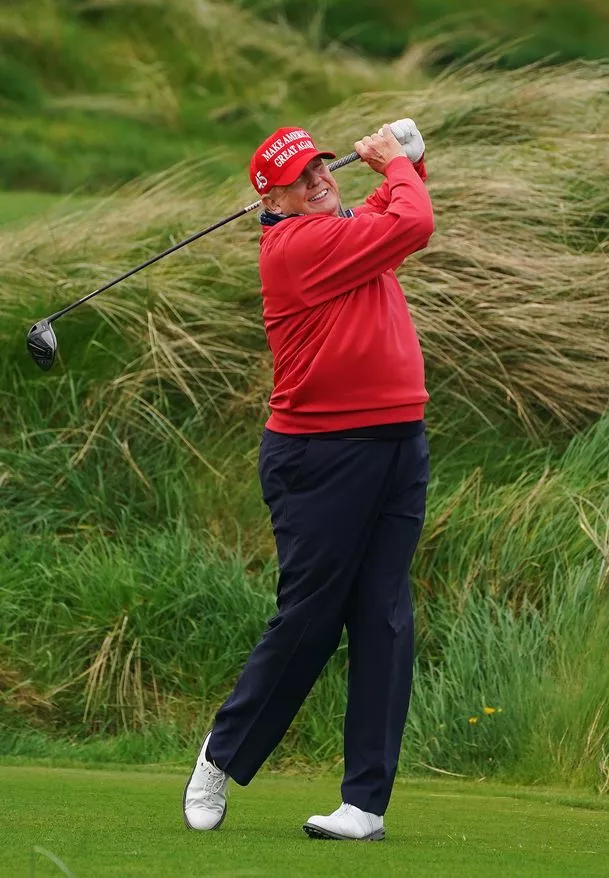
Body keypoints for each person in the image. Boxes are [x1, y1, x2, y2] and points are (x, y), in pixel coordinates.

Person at [183, 120, 434, 841]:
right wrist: (394, 163)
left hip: (397, 442)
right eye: (301, 179)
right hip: (321, 455)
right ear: (274, 201)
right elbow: (412, 220)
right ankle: (220, 756)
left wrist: (411, 161)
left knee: (384, 618)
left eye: (322, 167)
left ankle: (364, 805)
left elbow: (394, 212)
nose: (320, 179)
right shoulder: (296, 248)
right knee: (310, 619)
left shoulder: (339, 228)